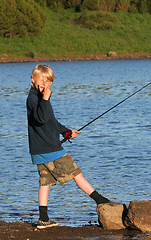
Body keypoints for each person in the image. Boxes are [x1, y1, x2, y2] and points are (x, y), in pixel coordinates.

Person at [26, 64, 111, 229]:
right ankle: (100, 200)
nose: (44, 84)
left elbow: (51, 122)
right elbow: (41, 119)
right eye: (41, 81)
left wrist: (66, 132)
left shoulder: (38, 98)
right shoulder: (34, 99)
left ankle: (43, 219)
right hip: (50, 150)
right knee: (76, 173)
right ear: (32, 80)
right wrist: (45, 99)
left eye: (48, 82)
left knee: (45, 183)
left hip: (41, 150)